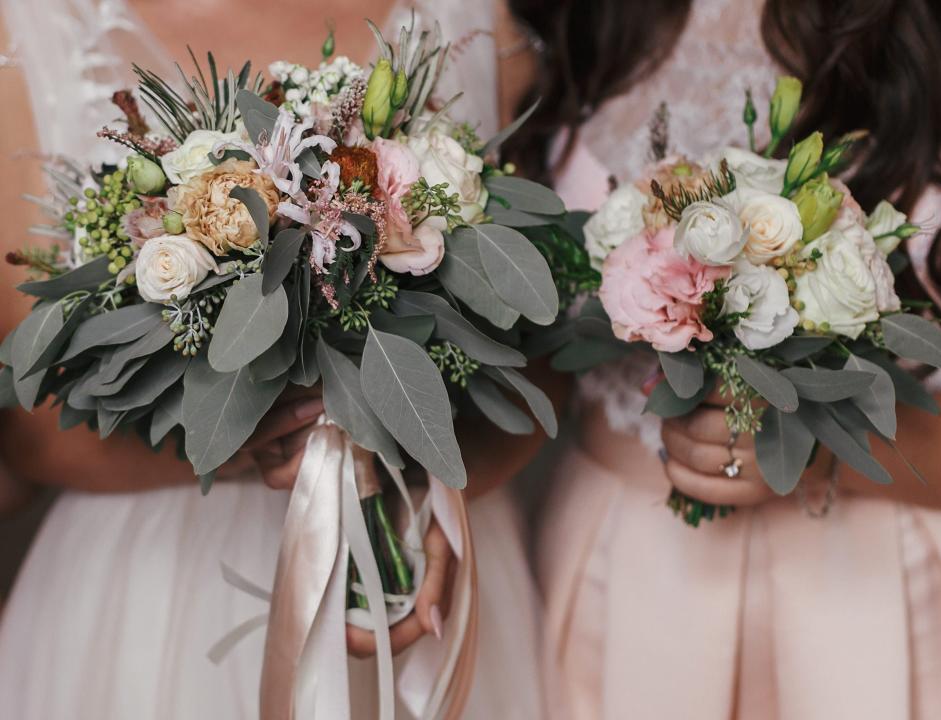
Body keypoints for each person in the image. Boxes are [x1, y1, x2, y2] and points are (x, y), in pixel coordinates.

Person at [0, 0, 546, 717]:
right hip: (162, 585)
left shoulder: (484, 19)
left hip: (428, 544)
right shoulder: (31, 28)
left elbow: (545, 348)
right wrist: (269, 437)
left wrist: (431, 479)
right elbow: (30, 426)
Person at [506, 0, 941, 717]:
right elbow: (528, 353)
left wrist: (823, 447)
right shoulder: (575, 18)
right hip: (632, 583)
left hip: (876, 587)